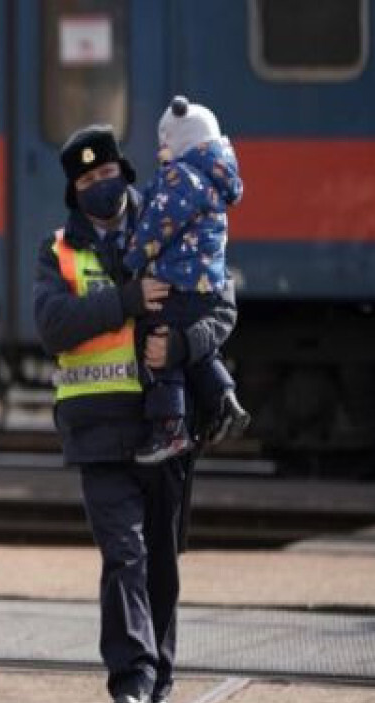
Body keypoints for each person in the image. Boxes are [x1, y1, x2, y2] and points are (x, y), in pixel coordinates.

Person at [33, 125, 239, 703]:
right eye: (88, 179)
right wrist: (125, 299)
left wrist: (181, 345)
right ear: (74, 191)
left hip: (168, 426)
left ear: (125, 172)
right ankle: (131, 686)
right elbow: (52, 324)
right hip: (97, 429)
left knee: (162, 563)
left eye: (108, 173)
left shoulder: (171, 221)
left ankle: (159, 688)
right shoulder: (57, 251)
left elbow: (222, 308)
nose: (102, 185)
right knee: (125, 556)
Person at [125, 95, 250, 463]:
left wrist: (133, 257)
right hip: (206, 286)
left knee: (159, 343)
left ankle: (170, 428)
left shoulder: (180, 177)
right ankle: (225, 399)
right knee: (199, 351)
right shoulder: (214, 177)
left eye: (165, 141)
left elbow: (157, 227)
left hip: (178, 281)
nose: (160, 150)